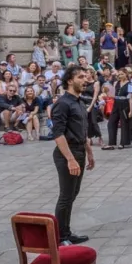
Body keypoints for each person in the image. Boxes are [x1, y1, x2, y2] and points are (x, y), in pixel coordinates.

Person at [52, 65, 93, 245]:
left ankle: (66, 232)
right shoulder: (63, 104)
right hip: (67, 153)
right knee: (66, 196)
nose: (86, 80)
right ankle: (60, 237)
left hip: (79, 150)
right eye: (81, 77)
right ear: (70, 80)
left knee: (73, 193)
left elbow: (82, 131)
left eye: (86, 77)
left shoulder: (80, 102)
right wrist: (70, 159)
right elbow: (58, 134)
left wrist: (89, 153)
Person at [104, 69, 132, 150]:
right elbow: (112, 94)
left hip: (125, 104)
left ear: (126, 74)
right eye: (119, 74)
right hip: (116, 104)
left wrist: (131, 110)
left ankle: (123, 143)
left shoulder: (130, 84)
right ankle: (111, 143)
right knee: (111, 122)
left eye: (122, 74)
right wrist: (107, 92)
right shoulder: (116, 83)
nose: (120, 76)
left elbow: (130, 98)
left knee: (124, 124)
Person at [81, 68, 102, 145]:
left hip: (92, 103)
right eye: (85, 73)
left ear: (92, 74)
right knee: (86, 122)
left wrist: (90, 107)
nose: (86, 74)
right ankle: (89, 138)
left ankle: (100, 137)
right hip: (83, 102)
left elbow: (95, 96)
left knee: (93, 121)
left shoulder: (96, 83)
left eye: (87, 73)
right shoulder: (84, 82)